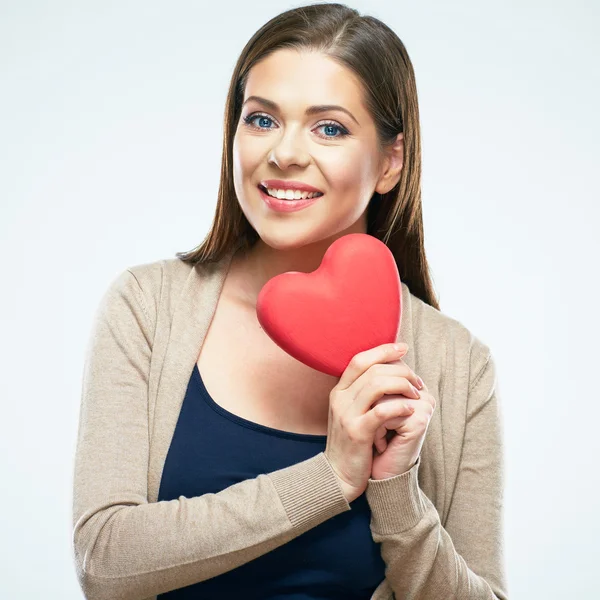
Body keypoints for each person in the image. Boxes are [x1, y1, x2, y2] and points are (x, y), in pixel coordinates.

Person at [72, 3, 507, 599]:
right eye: (261, 120)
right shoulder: (148, 308)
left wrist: (396, 492)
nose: (284, 154)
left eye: (329, 128)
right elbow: (104, 561)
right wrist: (330, 477)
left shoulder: (459, 364)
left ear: (389, 162)